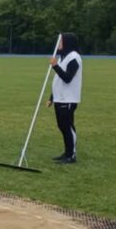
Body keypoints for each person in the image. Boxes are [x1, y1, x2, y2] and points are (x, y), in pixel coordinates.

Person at [48, 33, 83, 164]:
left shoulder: (74, 58)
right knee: (61, 126)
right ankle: (67, 152)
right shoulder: (63, 57)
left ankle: (71, 155)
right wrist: (52, 97)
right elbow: (58, 81)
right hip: (60, 98)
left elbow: (67, 78)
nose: (58, 44)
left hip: (68, 99)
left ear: (67, 42)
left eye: (60, 41)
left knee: (67, 126)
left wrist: (55, 66)